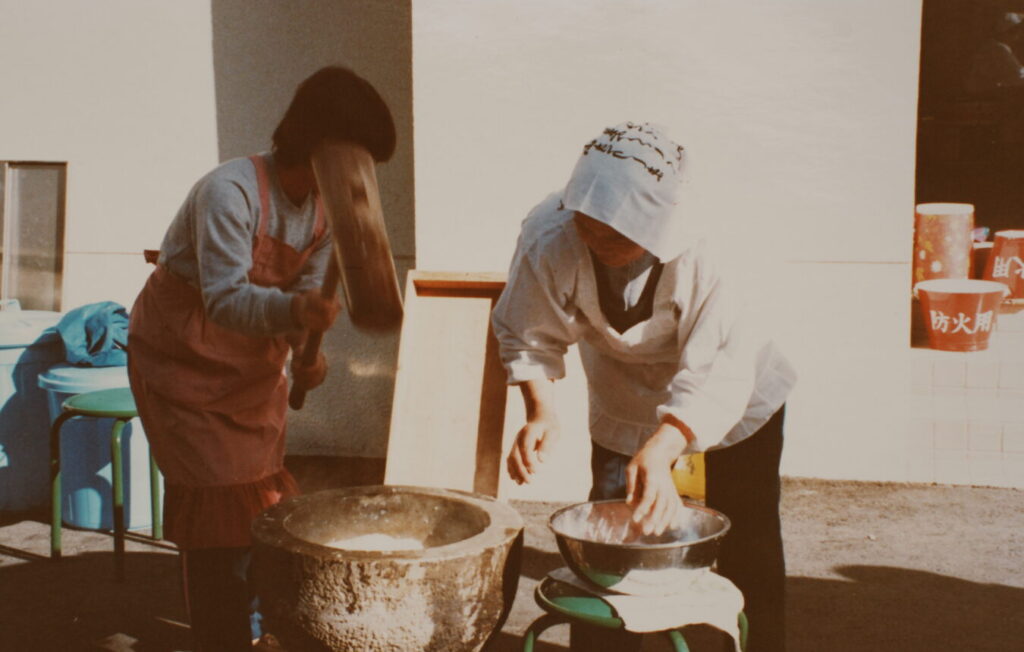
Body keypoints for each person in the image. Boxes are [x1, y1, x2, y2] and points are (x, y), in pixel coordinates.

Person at [491, 122, 796, 652]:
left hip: (737, 396)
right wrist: (540, 410)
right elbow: (526, 328)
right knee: (611, 545)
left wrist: (666, 446)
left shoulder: (719, 246)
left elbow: (720, 367)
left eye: (618, 234)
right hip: (623, 394)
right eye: (588, 226)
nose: (597, 242)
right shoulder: (549, 230)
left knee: (747, 541)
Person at [127, 66, 396, 651]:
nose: (362, 178)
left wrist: (308, 356)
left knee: (262, 511)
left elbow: (299, 307)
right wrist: (297, 314)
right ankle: (222, 636)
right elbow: (226, 300)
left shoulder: (325, 211)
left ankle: (253, 630)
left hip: (249, 368)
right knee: (217, 522)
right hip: (182, 357)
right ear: (317, 143)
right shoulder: (230, 191)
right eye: (357, 157)